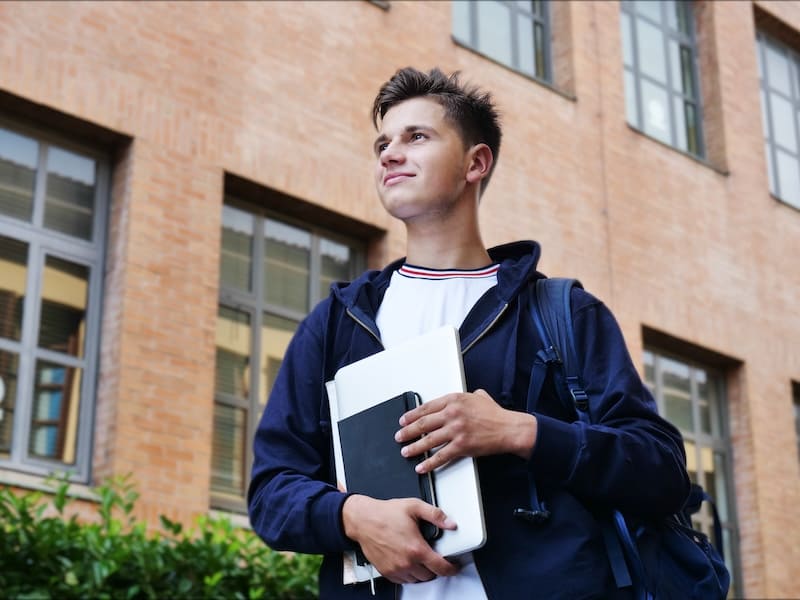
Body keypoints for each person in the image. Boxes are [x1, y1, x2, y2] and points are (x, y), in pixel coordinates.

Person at [248, 67, 690, 599]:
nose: (389, 154)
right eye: (382, 142)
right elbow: (272, 491)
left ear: (475, 163)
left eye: (417, 137)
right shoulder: (338, 322)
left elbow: (661, 469)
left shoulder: (562, 312)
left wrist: (519, 432)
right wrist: (352, 516)